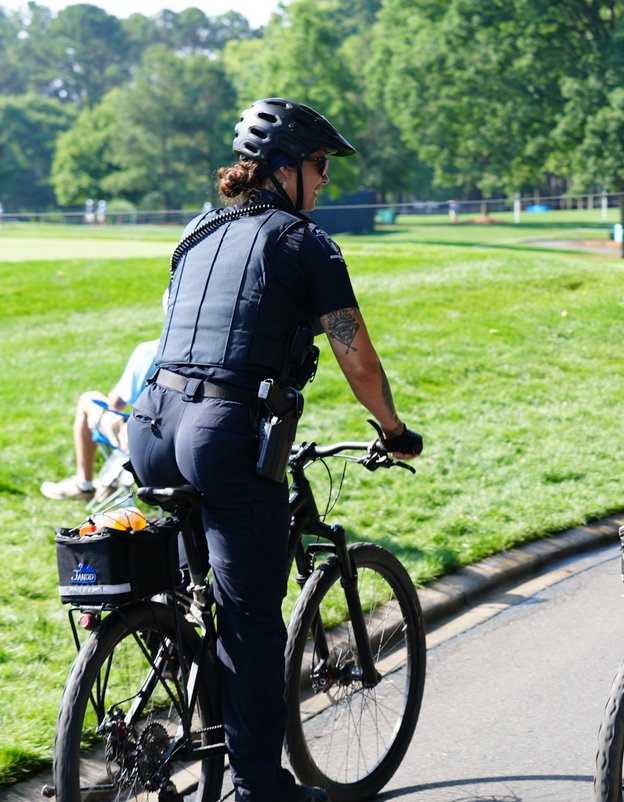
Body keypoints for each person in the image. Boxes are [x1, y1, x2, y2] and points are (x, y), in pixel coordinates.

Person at [127, 97, 423, 802]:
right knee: (252, 620)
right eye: (320, 164)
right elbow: (357, 359)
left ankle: (179, 702)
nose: (326, 179)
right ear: (285, 168)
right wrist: (393, 429)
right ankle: (259, 788)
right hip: (223, 434)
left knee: (196, 594)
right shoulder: (305, 243)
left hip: (153, 424)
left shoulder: (197, 232)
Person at [40, 336, 158, 501]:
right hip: (187, 451)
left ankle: (84, 484)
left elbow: (116, 404)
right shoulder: (199, 349)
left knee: (88, 400)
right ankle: (107, 483)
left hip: (149, 446)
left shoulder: (153, 350)